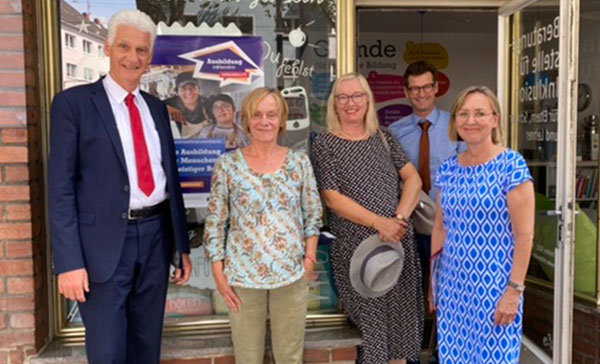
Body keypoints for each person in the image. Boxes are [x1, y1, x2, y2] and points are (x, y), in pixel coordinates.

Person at [48, 10, 192, 364]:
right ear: (108, 47)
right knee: (108, 351)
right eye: (124, 47)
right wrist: (68, 262)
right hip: (103, 247)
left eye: (142, 50)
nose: (133, 57)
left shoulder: (157, 108)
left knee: (147, 348)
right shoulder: (74, 105)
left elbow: (169, 179)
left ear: (150, 57)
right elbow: (61, 188)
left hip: (156, 239)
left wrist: (182, 246)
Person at [203, 87, 323, 364]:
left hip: (291, 275)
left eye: (271, 114)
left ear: (281, 120)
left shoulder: (299, 162)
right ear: (246, 119)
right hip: (242, 277)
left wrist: (309, 259)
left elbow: (313, 214)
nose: (264, 121)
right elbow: (215, 221)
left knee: (290, 357)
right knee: (247, 358)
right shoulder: (227, 165)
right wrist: (219, 274)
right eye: (257, 115)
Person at [311, 73, 423, 364]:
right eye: (343, 97)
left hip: (396, 246)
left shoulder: (385, 137)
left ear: (368, 100)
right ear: (334, 104)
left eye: (357, 96)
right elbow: (333, 198)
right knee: (373, 331)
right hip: (357, 251)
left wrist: (398, 219)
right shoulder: (326, 144)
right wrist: (378, 223)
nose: (351, 103)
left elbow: (413, 180)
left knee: (400, 332)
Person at [430, 86, 534, 363]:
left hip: (496, 287)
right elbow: (440, 227)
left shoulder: (511, 166)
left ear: (495, 120)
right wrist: (433, 283)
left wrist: (514, 291)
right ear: (455, 121)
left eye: (480, 113)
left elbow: (524, 236)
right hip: (453, 287)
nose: (470, 121)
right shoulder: (448, 169)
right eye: (463, 113)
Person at [389, 60, 465, 297]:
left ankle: (445, 334)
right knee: (412, 292)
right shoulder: (394, 132)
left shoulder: (456, 126)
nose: (421, 94)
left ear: (435, 88)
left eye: (426, 87)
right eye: (414, 88)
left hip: (448, 224)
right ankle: (418, 335)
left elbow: (466, 174)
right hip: (410, 225)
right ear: (406, 92)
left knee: (448, 291)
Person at [165, 71, 207, 136]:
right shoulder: (171, 103)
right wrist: (167, 108)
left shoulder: (208, 103)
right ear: (177, 92)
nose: (189, 92)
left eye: (192, 88)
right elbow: (151, 106)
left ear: (199, 89)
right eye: (183, 88)